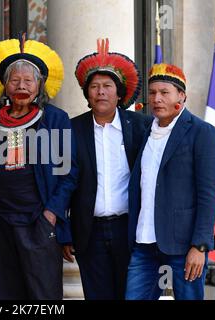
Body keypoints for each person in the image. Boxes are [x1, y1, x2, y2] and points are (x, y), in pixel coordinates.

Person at [0, 35, 78, 299]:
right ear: (5, 85)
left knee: (41, 293)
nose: (21, 86)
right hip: (0, 222)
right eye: (15, 80)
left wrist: (51, 213)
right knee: (5, 292)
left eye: (28, 80)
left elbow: (69, 173)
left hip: (38, 222)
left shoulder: (55, 119)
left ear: (39, 85)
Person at [125, 63, 215, 300]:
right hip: (144, 244)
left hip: (184, 247)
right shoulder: (145, 130)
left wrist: (200, 246)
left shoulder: (202, 132)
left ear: (182, 95)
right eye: (153, 92)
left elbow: (208, 194)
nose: (157, 98)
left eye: (164, 92)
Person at [67, 39, 152, 300]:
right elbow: (64, 182)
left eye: (107, 86)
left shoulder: (141, 127)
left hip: (130, 229)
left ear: (119, 94)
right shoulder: (72, 129)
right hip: (88, 232)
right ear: (87, 94)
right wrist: (64, 233)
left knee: (131, 294)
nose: (100, 92)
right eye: (94, 87)